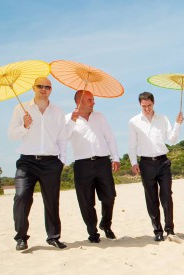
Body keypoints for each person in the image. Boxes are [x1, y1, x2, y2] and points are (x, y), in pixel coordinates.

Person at [8, 77, 67, 251]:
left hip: (51, 162)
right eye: (40, 86)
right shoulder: (21, 108)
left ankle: (53, 237)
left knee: (52, 201)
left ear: (51, 90)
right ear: (33, 88)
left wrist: (61, 160)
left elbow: (62, 137)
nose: (43, 89)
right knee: (21, 197)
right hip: (26, 162)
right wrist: (24, 126)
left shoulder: (57, 111)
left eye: (47, 87)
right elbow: (11, 134)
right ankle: (21, 238)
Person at [66, 90, 120, 243]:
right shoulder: (68, 119)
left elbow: (110, 137)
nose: (93, 102)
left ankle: (105, 224)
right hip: (82, 164)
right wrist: (72, 121)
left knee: (109, 196)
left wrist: (115, 157)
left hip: (103, 162)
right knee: (86, 201)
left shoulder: (100, 117)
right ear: (80, 101)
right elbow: (63, 137)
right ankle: (92, 232)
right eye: (90, 100)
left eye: (93, 99)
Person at [128, 91, 184, 242]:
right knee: (151, 198)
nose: (146, 108)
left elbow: (172, 139)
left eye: (149, 105)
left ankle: (170, 229)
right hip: (146, 164)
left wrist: (178, 123)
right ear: (140, 104)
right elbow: (132, 145)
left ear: (154, 103)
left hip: (163, 162)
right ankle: (157, 230)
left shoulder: (163, 119)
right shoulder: (134, 121)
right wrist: (134, 162)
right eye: (143, 106)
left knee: (166, 195)